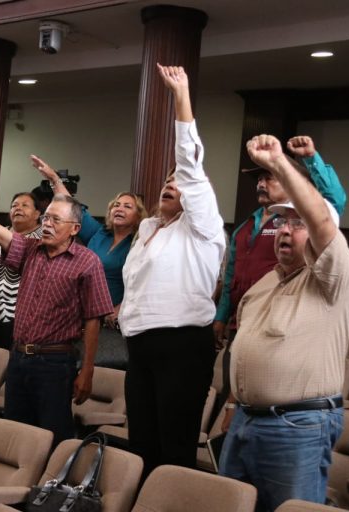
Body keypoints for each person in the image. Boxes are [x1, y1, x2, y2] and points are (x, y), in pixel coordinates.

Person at [218, 134, 349, 512]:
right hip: (247, 421)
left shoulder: (333, 276)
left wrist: (280, 162)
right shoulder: (268, 279)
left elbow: (323, 222)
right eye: (281, 222)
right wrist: (234, 405)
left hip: (296, 428)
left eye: (297, 223)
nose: (283, 229)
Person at [0, 169, 112, 445]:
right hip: (18, 358)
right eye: (46, 218)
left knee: (52, 433)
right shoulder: (31, 249)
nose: (47, 224)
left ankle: (50, 486)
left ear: (75, 229)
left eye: (55, 220)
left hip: (55, 362)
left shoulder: (87, 262)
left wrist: (87, 370)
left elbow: (93, 319)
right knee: (14, 432)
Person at [117, 64, 226, 477]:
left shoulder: (203, 226)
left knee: (175, 447)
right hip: (140, 346)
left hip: (182, 345)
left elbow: (191, 165)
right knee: (141, 443)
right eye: (167, 180)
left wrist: (180, 97)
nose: (172, 184)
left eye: (180, 183)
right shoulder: (146, 229)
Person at [213, 135, 346, 345]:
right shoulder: (243, 228)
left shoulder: (305, 221)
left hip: (279, 324)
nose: (261, 184)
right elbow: (231, 278)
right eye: (258, 180)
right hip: (239, 324)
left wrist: (311, 158)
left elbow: (334, 199)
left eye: (269, 178)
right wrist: (220, 317)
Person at [30, 157, 146, 330]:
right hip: (78, 315)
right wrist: (54, 179)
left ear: (138, 215)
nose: (119, 208)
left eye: (127, 207)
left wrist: (121, 309)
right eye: (116, 205)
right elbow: (71, 206)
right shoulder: (98, 233)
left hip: (111, 321)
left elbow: (144, 284)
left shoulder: (140, 244)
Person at [0, 191, 42, 349]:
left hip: (21, 316)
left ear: (37, 214)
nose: (18, 208)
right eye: (14, 206)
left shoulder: (42, 239)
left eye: (25, 205)